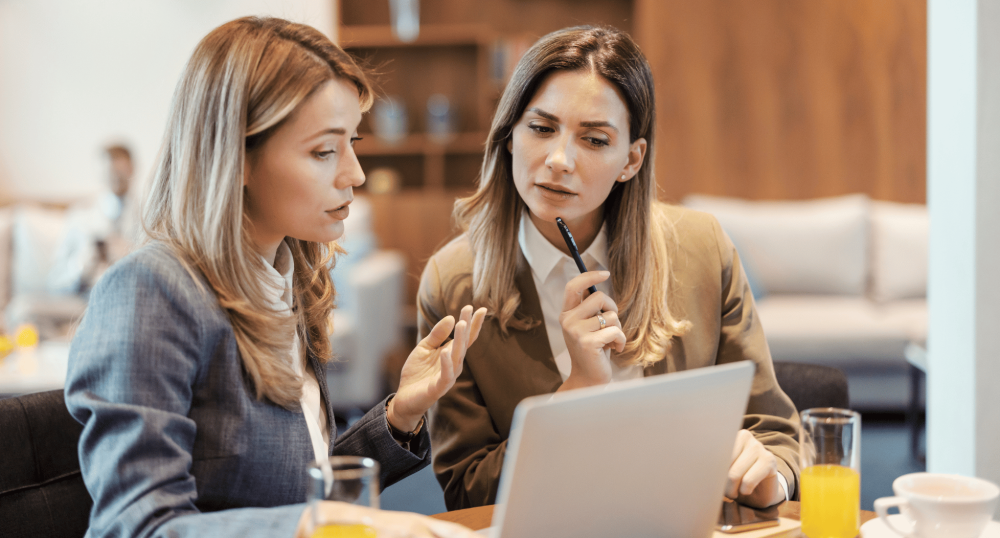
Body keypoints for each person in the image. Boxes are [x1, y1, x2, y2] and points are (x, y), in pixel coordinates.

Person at [64, 16, 485, 538]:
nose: (354, 172)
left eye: (352, 142)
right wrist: (318, 523)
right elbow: (137, 526)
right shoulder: (151, 291)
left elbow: (290, 484)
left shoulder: (286, 279)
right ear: (236, 154)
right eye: (324, 150)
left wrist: (400, 412)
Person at [419, 25, 800, 511]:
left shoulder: (704, 248)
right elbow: (468, 490)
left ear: (631, 159)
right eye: (541, 128)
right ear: (509, 136)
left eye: (595, 140)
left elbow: (777, 433)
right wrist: (575, 393)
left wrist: (768, 476)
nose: (559, 160)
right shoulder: (453, 283)